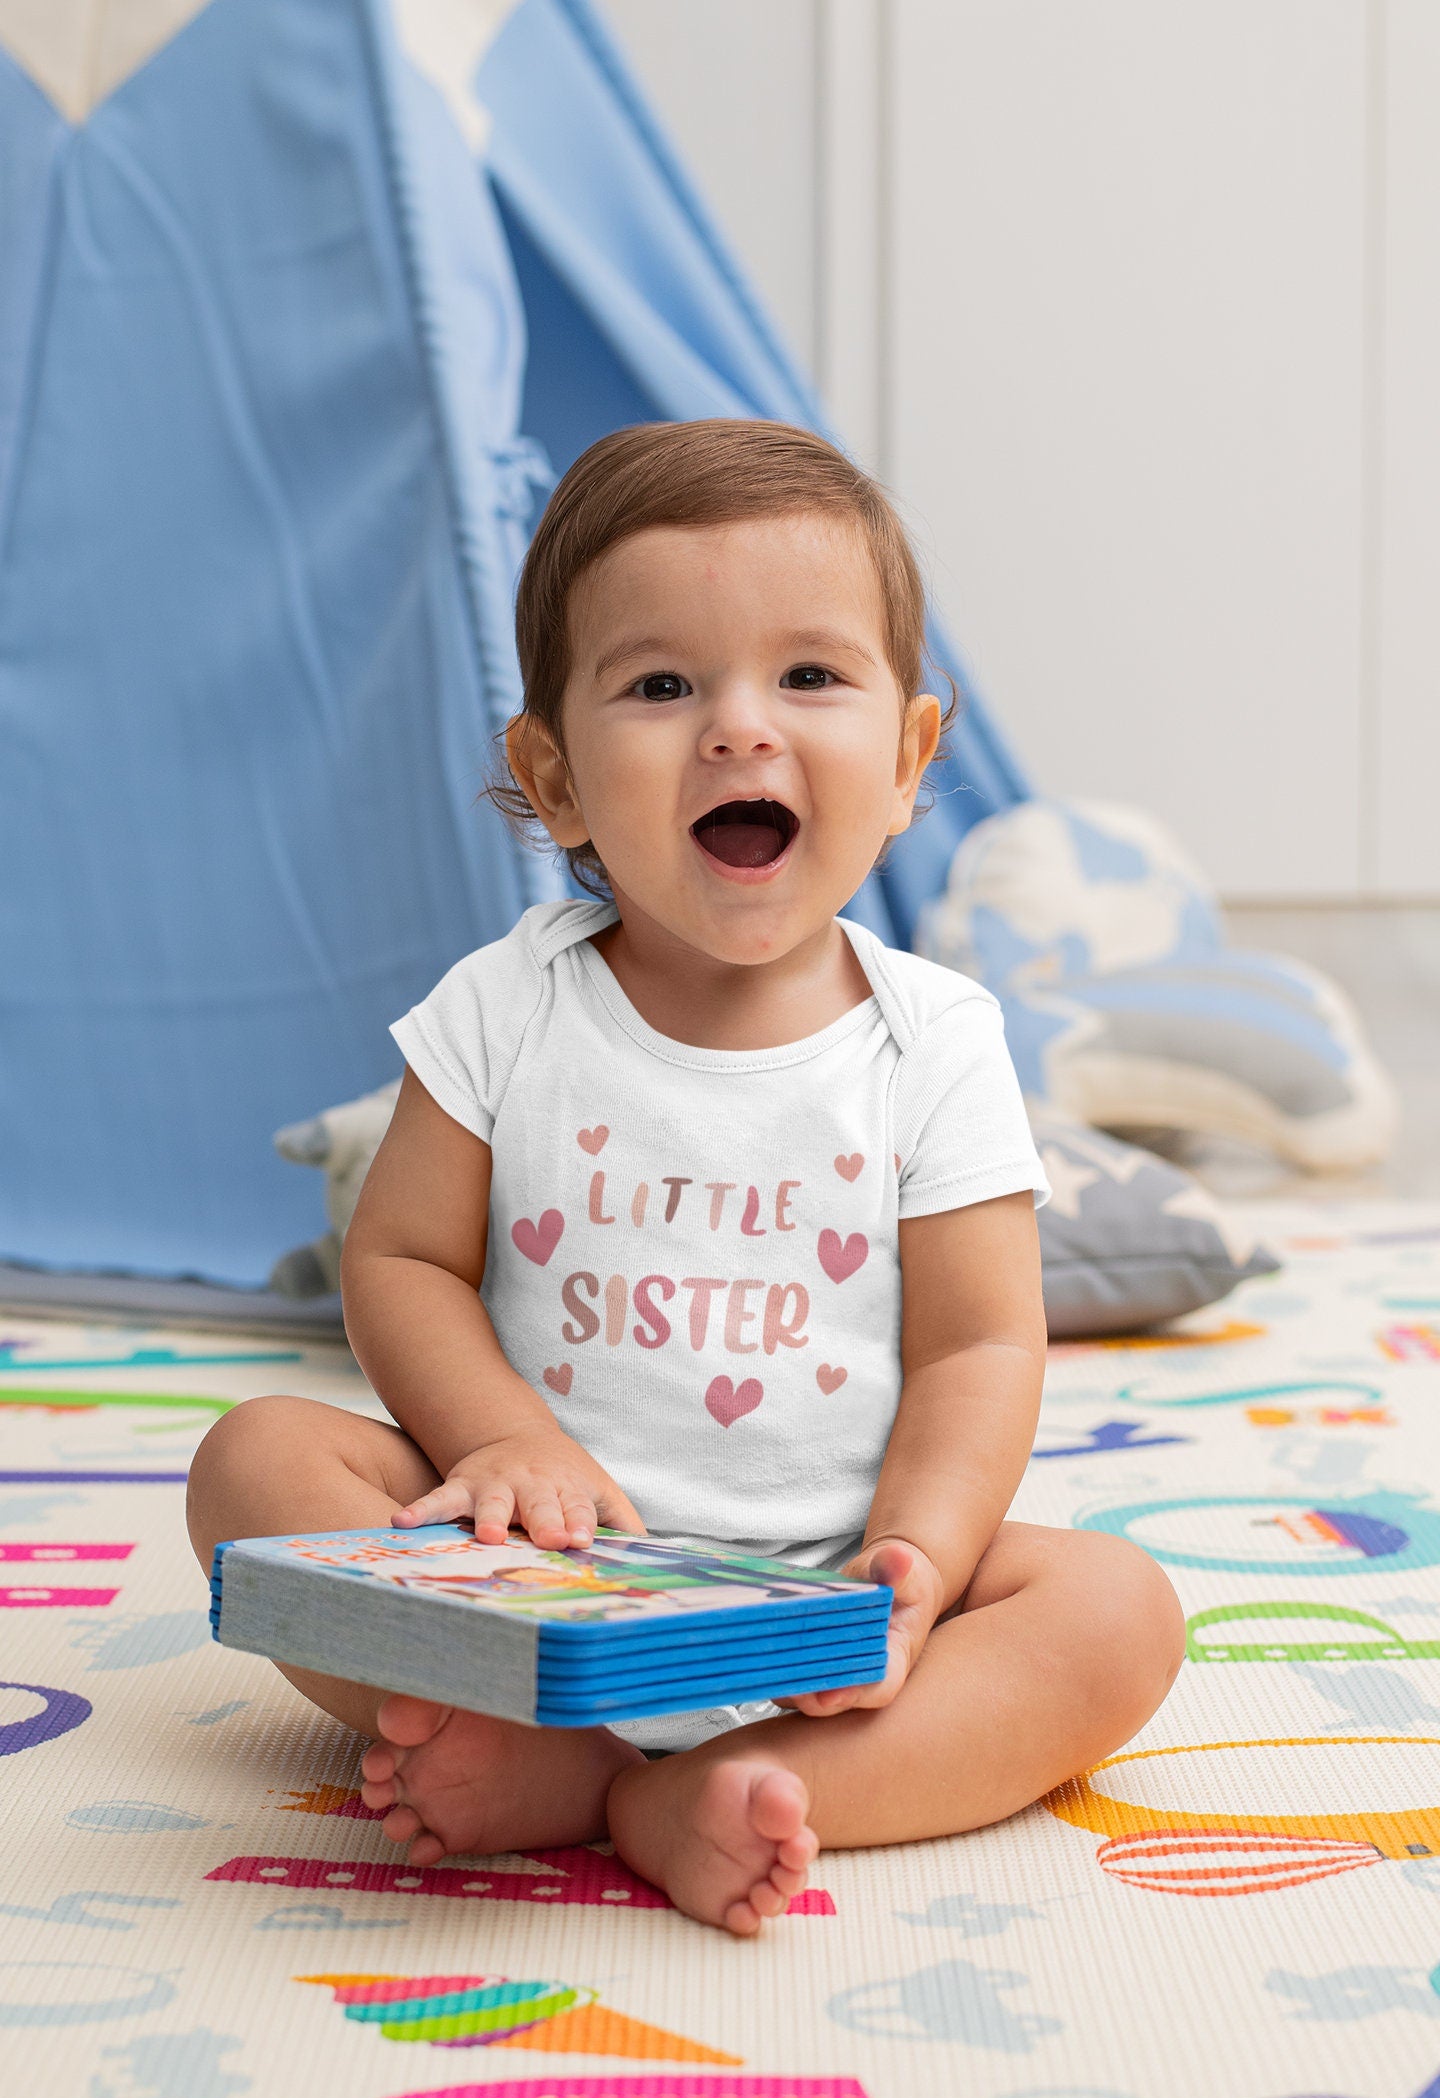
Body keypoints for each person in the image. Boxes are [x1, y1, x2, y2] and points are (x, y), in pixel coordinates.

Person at [187, 419, 1184, 1936]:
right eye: (660, 686)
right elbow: (398, 1263)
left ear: (912, 759)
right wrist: (505, 1441)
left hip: (823, 1594)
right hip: (530, 1572)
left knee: (1118, 1614)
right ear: (557, 775)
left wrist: (915, 1553)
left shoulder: (935, 1041)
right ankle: (546, 1731)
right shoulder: (505, 1007)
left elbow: (981, 1342)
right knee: (254, 1463)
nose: (737, 728)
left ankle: (713, 1788)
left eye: (809, 677)